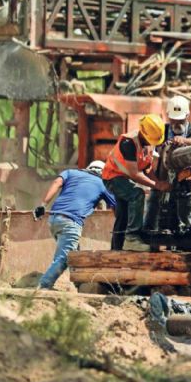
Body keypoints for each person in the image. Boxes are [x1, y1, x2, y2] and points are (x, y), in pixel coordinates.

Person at [35, 160, 116, 289]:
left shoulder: (70, 173)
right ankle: (43, 286)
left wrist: (43, 205)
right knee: (65, 258)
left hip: (54, 219)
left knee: (75, 255)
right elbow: (116, 207)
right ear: (103, 172)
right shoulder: (102, 184)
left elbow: (57, 182)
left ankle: (80, 284)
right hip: (70, 222)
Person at [102, 114, 171, 251]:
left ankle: (116, 249)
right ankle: (132, 237)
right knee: (137, 194)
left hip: (124, 179)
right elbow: (135, 174)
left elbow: (147, 168)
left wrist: (157, 182)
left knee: (123, 215)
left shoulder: (148, 144)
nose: (151, 143)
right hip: (112, 177)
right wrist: (157, 185)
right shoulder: (128, 143)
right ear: (143, 133)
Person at [145, 96, 191, 233]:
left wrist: (184, 140)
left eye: (181, 120)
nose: (177, 123)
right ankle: (150, 241)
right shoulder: (162, 130)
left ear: (187, 115)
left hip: (186, 182)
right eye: (174, 119)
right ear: (168, 116)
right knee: (153, 210)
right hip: (162, 178)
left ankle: (184, 242)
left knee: (184, 216)